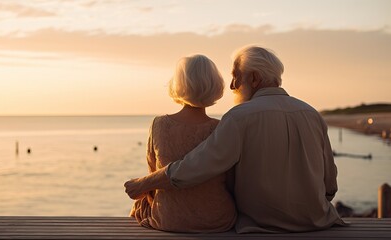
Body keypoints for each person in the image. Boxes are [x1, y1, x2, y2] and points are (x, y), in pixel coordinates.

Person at [125, 46, 346, 233]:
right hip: (318, 221)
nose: (232, 86)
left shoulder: (239, 117)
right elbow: (330, 183)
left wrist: (145, 183)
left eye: (236, 76)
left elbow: (195, 168)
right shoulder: (312, 114)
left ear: (255, 78)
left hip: (262, 226)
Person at [128, 54, 237, 232]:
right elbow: (231, 182)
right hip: (217, 219)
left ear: (178, 84)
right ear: (216, 85)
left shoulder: (160, 124)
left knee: (140, 206)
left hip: (170, 220)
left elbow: (154, 176)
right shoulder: (221, 128)